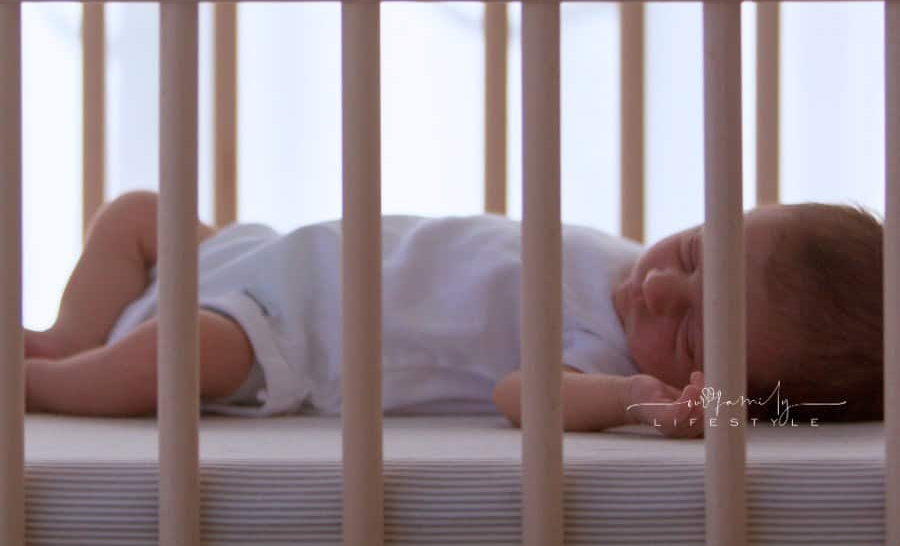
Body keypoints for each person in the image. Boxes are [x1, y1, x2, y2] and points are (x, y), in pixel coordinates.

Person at [23, 193, 882, 435]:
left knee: (175, 353)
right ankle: (67, 337)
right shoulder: (623, 267)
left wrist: (638, 404)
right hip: (270, 258)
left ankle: (41, 384)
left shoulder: (607, 360)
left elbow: (523, 396)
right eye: (691, 252)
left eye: (688, 330)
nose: (660, 288)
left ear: (701, 383)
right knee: (138, 213)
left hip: (282, 335)